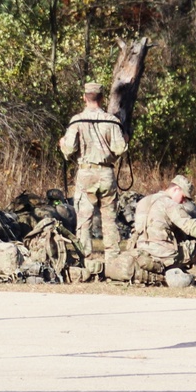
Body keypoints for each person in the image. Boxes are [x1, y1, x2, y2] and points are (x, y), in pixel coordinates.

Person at [59, 82, 128, 262]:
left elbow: (68, 149)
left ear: (84, 97)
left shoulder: (77, 121)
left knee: (84, 219)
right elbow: (120, 148)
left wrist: (62, 143)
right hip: (106, 173)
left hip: (86, 173)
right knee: (110, 219)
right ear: (102, 98)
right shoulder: (111, 121)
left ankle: (85, 258)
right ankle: (113, 259)